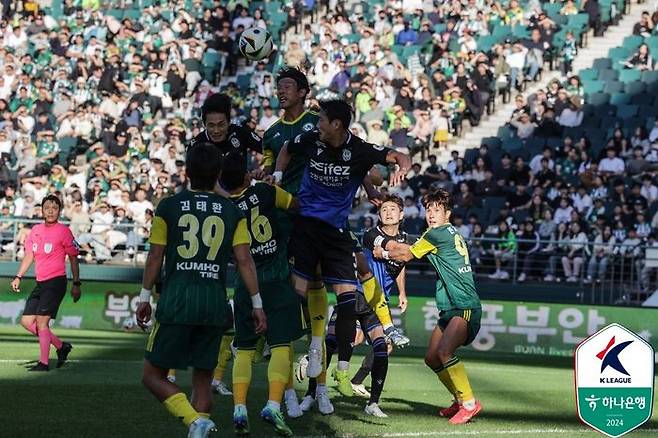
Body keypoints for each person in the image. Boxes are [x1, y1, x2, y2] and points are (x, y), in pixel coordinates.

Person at [274, 98, 410, 399]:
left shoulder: (359, 149)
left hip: (336, 233)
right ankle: (299, 347)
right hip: (307, 226)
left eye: (322, 119)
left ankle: (340, 368)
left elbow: (399, 157)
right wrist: (278, 177)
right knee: (297, 294)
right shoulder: (310, 139)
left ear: (337, 124)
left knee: (348, 301)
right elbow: (286, 149)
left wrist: (399, 170)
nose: (317, 123)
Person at [135, 143, 267, 438]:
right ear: (218, 174)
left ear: (187, 171)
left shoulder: (168, 206)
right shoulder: (232, 211)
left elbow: (156, 256)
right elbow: (244, 260)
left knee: (152, 375)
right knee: (203, 381)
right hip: (213, 303)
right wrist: (257, 303)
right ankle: (199, 425)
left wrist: (144, 297)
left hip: (177, 299)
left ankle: (193, 421)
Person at [373, 188, 482, 424]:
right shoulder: (442, 233)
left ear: (448, 214)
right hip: (451, 308)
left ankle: (470, 403)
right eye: (428, 210)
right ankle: (459, 399)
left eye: (437, 210)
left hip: (464, 305)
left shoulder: (438, 234)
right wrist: (392, 246)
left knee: (444, 352)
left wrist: (381, 249)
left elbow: (406, 255)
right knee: (432, 358)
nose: (431, 214)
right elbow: (411, 247)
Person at [220, 152, 305, 436]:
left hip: (246, 285)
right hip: (277, 280)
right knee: (281, 346)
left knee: (243, 349)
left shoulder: (223, 209)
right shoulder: (267, 192)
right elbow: (295, 205)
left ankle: (240, 407)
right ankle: (272, 404)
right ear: (246, 175)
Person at [11, 194, 81, 371]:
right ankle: (61, 346)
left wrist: (76, 283)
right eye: (47, 208)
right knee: (27, 322)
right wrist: (18, 276)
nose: (50, 211)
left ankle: (43, 363)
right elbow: (29, 255)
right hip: (40, 282)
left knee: (42, 323)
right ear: (41, 210)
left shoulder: (64, 231)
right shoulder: (35, 230)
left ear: (59, 211)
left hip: (56, 282)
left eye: (54, 208)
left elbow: (73, 258)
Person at [188, 93, 262, 160]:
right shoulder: (196, 145)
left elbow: (268, 149)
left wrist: (267, 169)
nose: (216, 130)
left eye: (221, 125)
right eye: (211, 125)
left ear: (229, 121)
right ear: (204, 124)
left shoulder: (240, 132)